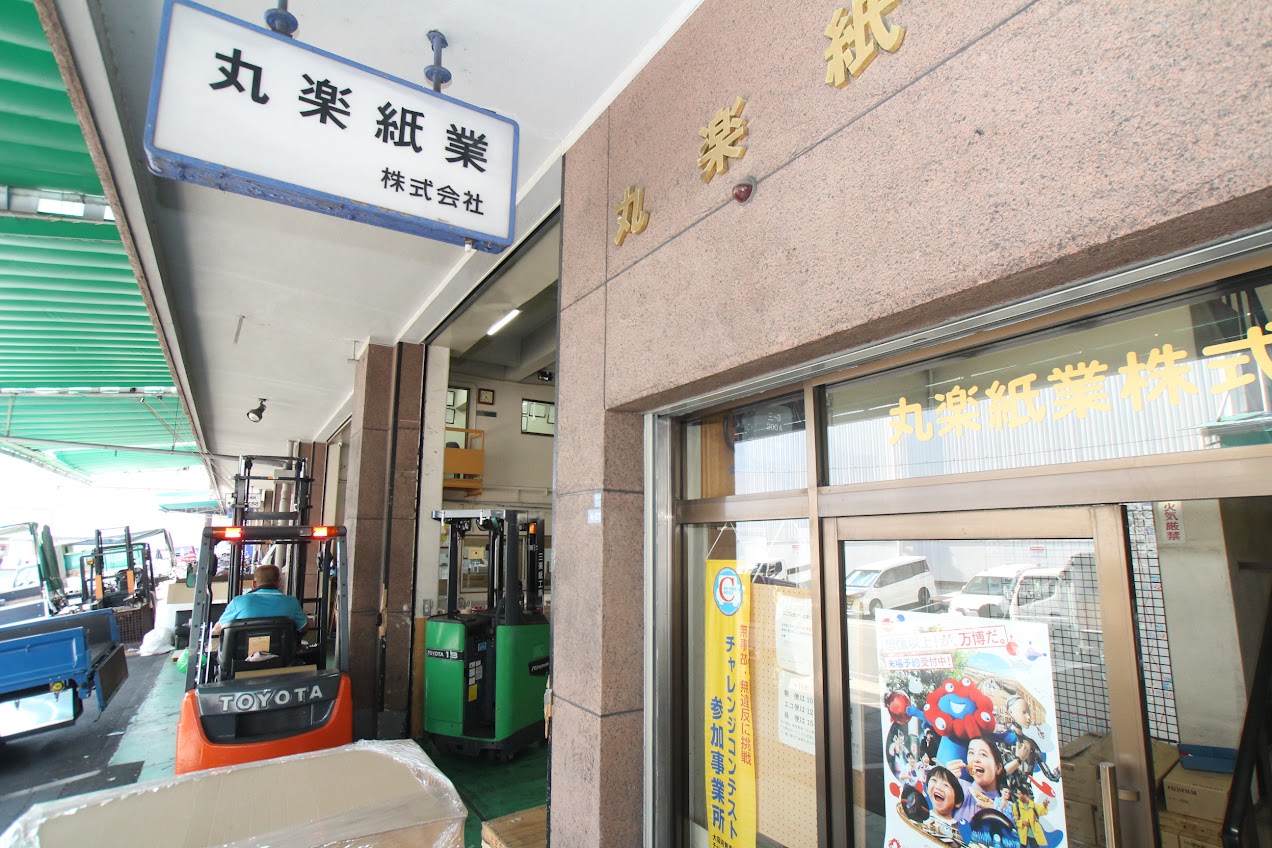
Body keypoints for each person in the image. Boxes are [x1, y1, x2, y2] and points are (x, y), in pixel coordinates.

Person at [211, 564, 307, 636]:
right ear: (279, 582)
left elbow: (218, 629)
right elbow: (304, 628)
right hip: (282, 655)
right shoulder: (292, 602)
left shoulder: (239, 602)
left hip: (243, 655)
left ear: (254, 583)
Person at [947, 735, 1010, 824]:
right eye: (971, 753)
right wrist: (945, 782)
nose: (975, 760)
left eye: (983, 754)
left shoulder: (1006, 807)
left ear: (998, 768)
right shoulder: (958, 787)